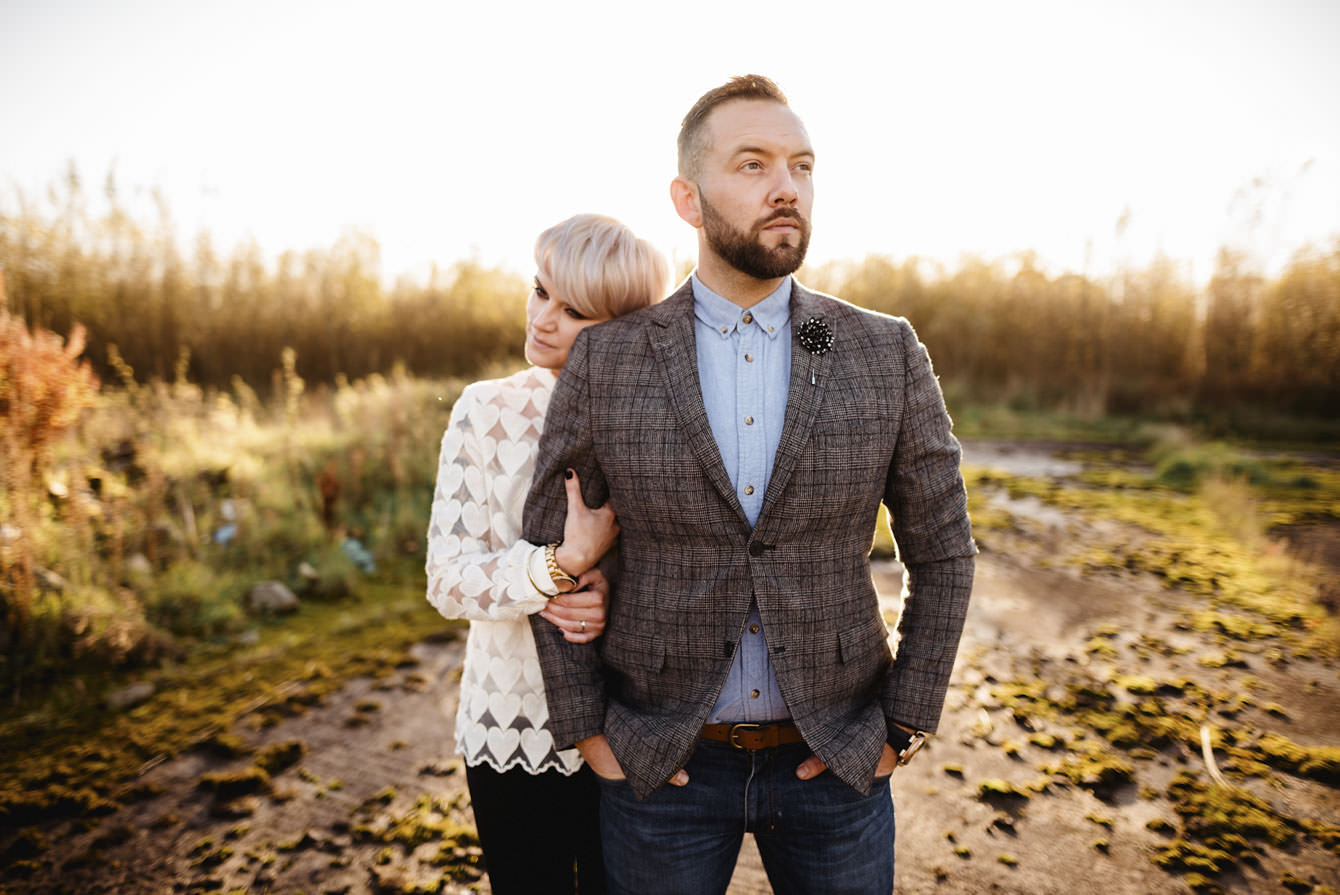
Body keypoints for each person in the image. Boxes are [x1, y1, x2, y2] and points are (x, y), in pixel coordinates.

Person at [522, 75, 977, 894]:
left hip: (838, 764)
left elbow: (943, 552)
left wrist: (904, 723)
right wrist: (589, 730)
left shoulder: (880, 351)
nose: (785, 188)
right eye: (754, 164)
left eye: (802, 167)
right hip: (659, 767)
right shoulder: (612, 357)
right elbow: (545, 539)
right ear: (688, 200)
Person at [425, 213, 670, 894]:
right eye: (539, 291)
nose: (543, 319)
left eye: (573, 310)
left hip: (627, 724)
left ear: (622, 324)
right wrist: (555, 568)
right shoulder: (484, 410)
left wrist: (608, 595)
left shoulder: (655, 418)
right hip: (510, 726)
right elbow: (446, 579)